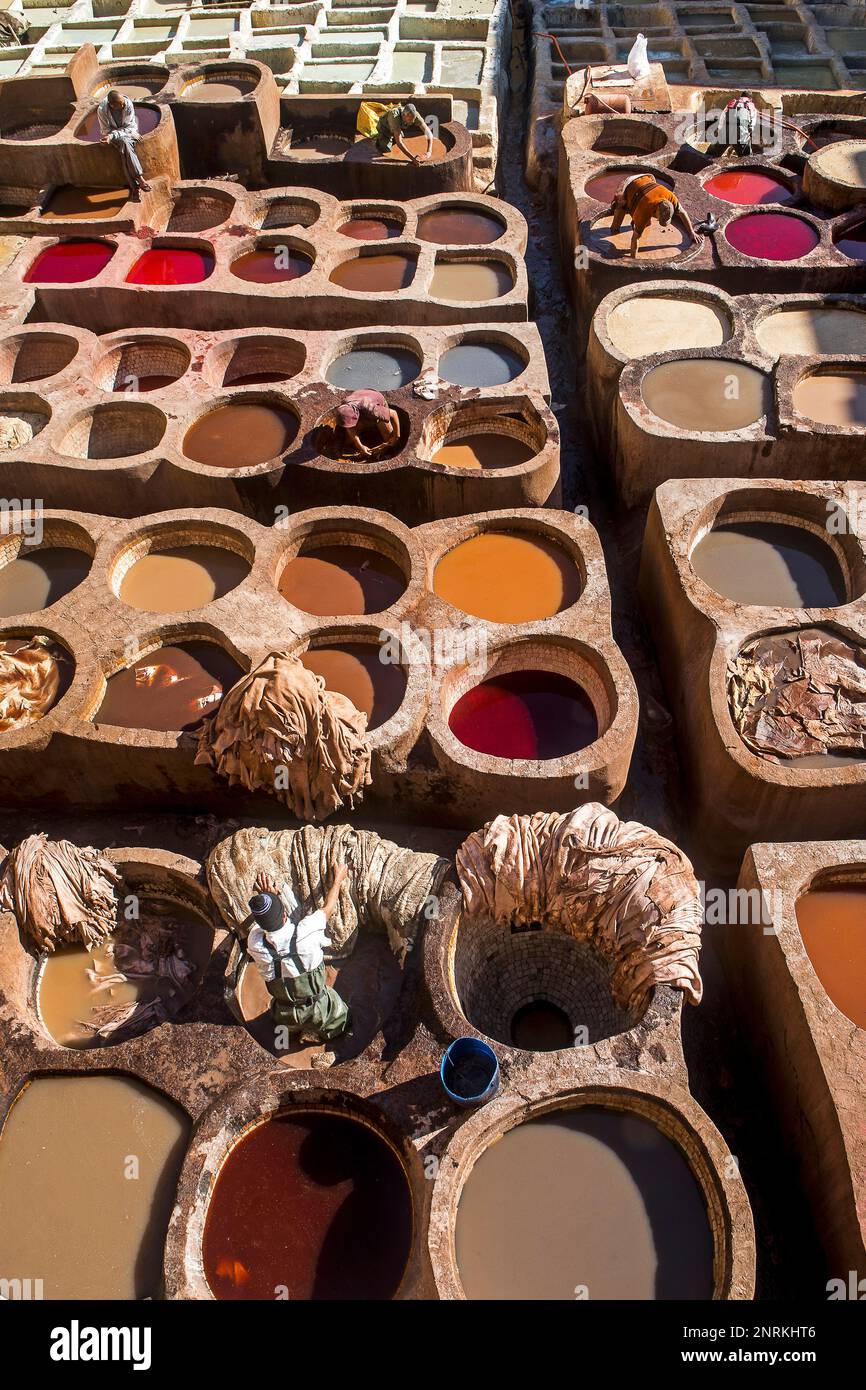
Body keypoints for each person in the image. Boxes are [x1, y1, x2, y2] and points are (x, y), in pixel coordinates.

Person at [245, 863, 351, 1044]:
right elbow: (328, 907)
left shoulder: (255, 942)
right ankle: (328, 1038)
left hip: (285, 1012)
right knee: (341, 1023)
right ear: (284, 913)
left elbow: (267, 924)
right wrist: (338, 879)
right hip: (320, 1007)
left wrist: (266, 899)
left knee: (282, 1033)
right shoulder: (306, 932)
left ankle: (283, 1044)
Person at [606, 172, 696, 256]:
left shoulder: (671, 198)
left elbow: (683, 213)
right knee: (615, 226)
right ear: (655, 210)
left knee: (647, 224)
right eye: (658, 218)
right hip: (628, 185)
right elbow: (634, 238)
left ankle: (645, 223)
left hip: (647, 182)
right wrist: (633, 260)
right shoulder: (644, 209)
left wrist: (691, 232)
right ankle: (616, 224)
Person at [97, 89, 152, 197]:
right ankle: (139, 179)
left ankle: (135, 187)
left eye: (124, 103)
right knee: (124, 143)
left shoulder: (127, 103)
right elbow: (105, 131)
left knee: (124, 149)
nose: (124, 106)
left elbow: (130, 127)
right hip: (115, 136)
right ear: (111, 105)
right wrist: (111, 136)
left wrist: (113, 135)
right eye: (121, 105)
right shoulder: (102, 110)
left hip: (128, 133)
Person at [334, 389, 400, 458]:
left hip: (374, 398)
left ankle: (387, 452)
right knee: (349, 439)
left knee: (389, 436)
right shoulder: (344, 407)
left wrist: (396, 436)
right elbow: (350, 429)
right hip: (361, 396)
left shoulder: (372, 409)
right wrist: (360, 446)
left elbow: (394, 414)